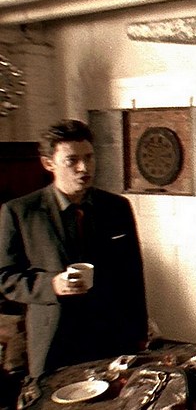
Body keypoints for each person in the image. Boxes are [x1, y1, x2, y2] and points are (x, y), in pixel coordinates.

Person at [0, 119, 148, 379]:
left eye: (89, 157)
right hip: (54, 342)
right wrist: (52, 285)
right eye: (72, 160)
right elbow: (6, 278)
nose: (84, 168)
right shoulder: (20, 212)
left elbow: (133, 277)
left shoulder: (117, 208)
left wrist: (139, 333)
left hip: (111, 338)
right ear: (49, 163)